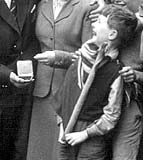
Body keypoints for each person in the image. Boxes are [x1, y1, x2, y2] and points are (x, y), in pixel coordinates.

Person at [54, 5, 138, 160]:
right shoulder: (81, 57)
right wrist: (62, 125)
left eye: (99, 22)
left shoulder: (115, 71)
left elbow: (111, 115)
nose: (93, 24)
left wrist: (85, 134)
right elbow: (65, 92)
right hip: (67, 129)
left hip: (91, 139)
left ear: (112, 34)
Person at [27, 0, 98, 160]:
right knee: (38, 149)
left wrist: (59, 58)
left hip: (69, 88)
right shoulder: (41, 5)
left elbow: (90, 57)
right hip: (41, 89)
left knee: (60, 152)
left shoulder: (86, 7)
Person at [89, 0, 143, 159]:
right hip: (99, 103)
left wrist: (135, 75)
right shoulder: (115, 17)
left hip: (129, 103)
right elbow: (85, 56)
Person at [0, 0, 40, 160]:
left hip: (22, 90)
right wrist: (7, 74)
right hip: (3, 80)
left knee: (17, 147)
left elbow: (31, 41)